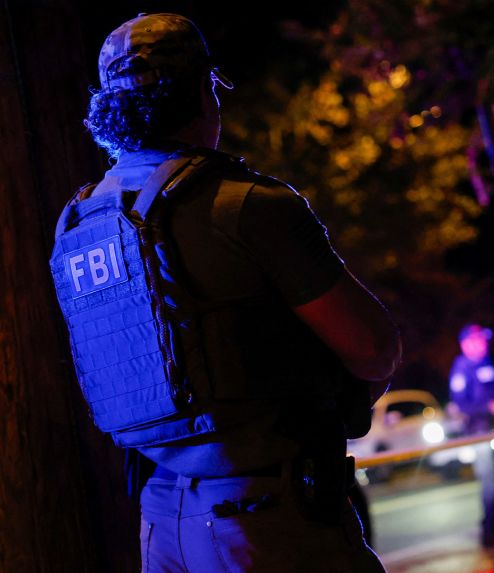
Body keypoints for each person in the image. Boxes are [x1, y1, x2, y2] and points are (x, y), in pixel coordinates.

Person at [51, 13, 400, 572]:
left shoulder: (79, 221)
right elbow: (373, 348)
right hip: (262, 517)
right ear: (200, 91)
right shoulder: (247, 205)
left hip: (158, 520)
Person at [449, 324, 494, 549]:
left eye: (483, 339)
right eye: (478, 339)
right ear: (466, 344)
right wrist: (489, 407)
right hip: (479, 433)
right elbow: (461, 405)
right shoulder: (462, 367)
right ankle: (491, 535)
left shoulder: (486, 362)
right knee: (491, 484)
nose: (483, 344)